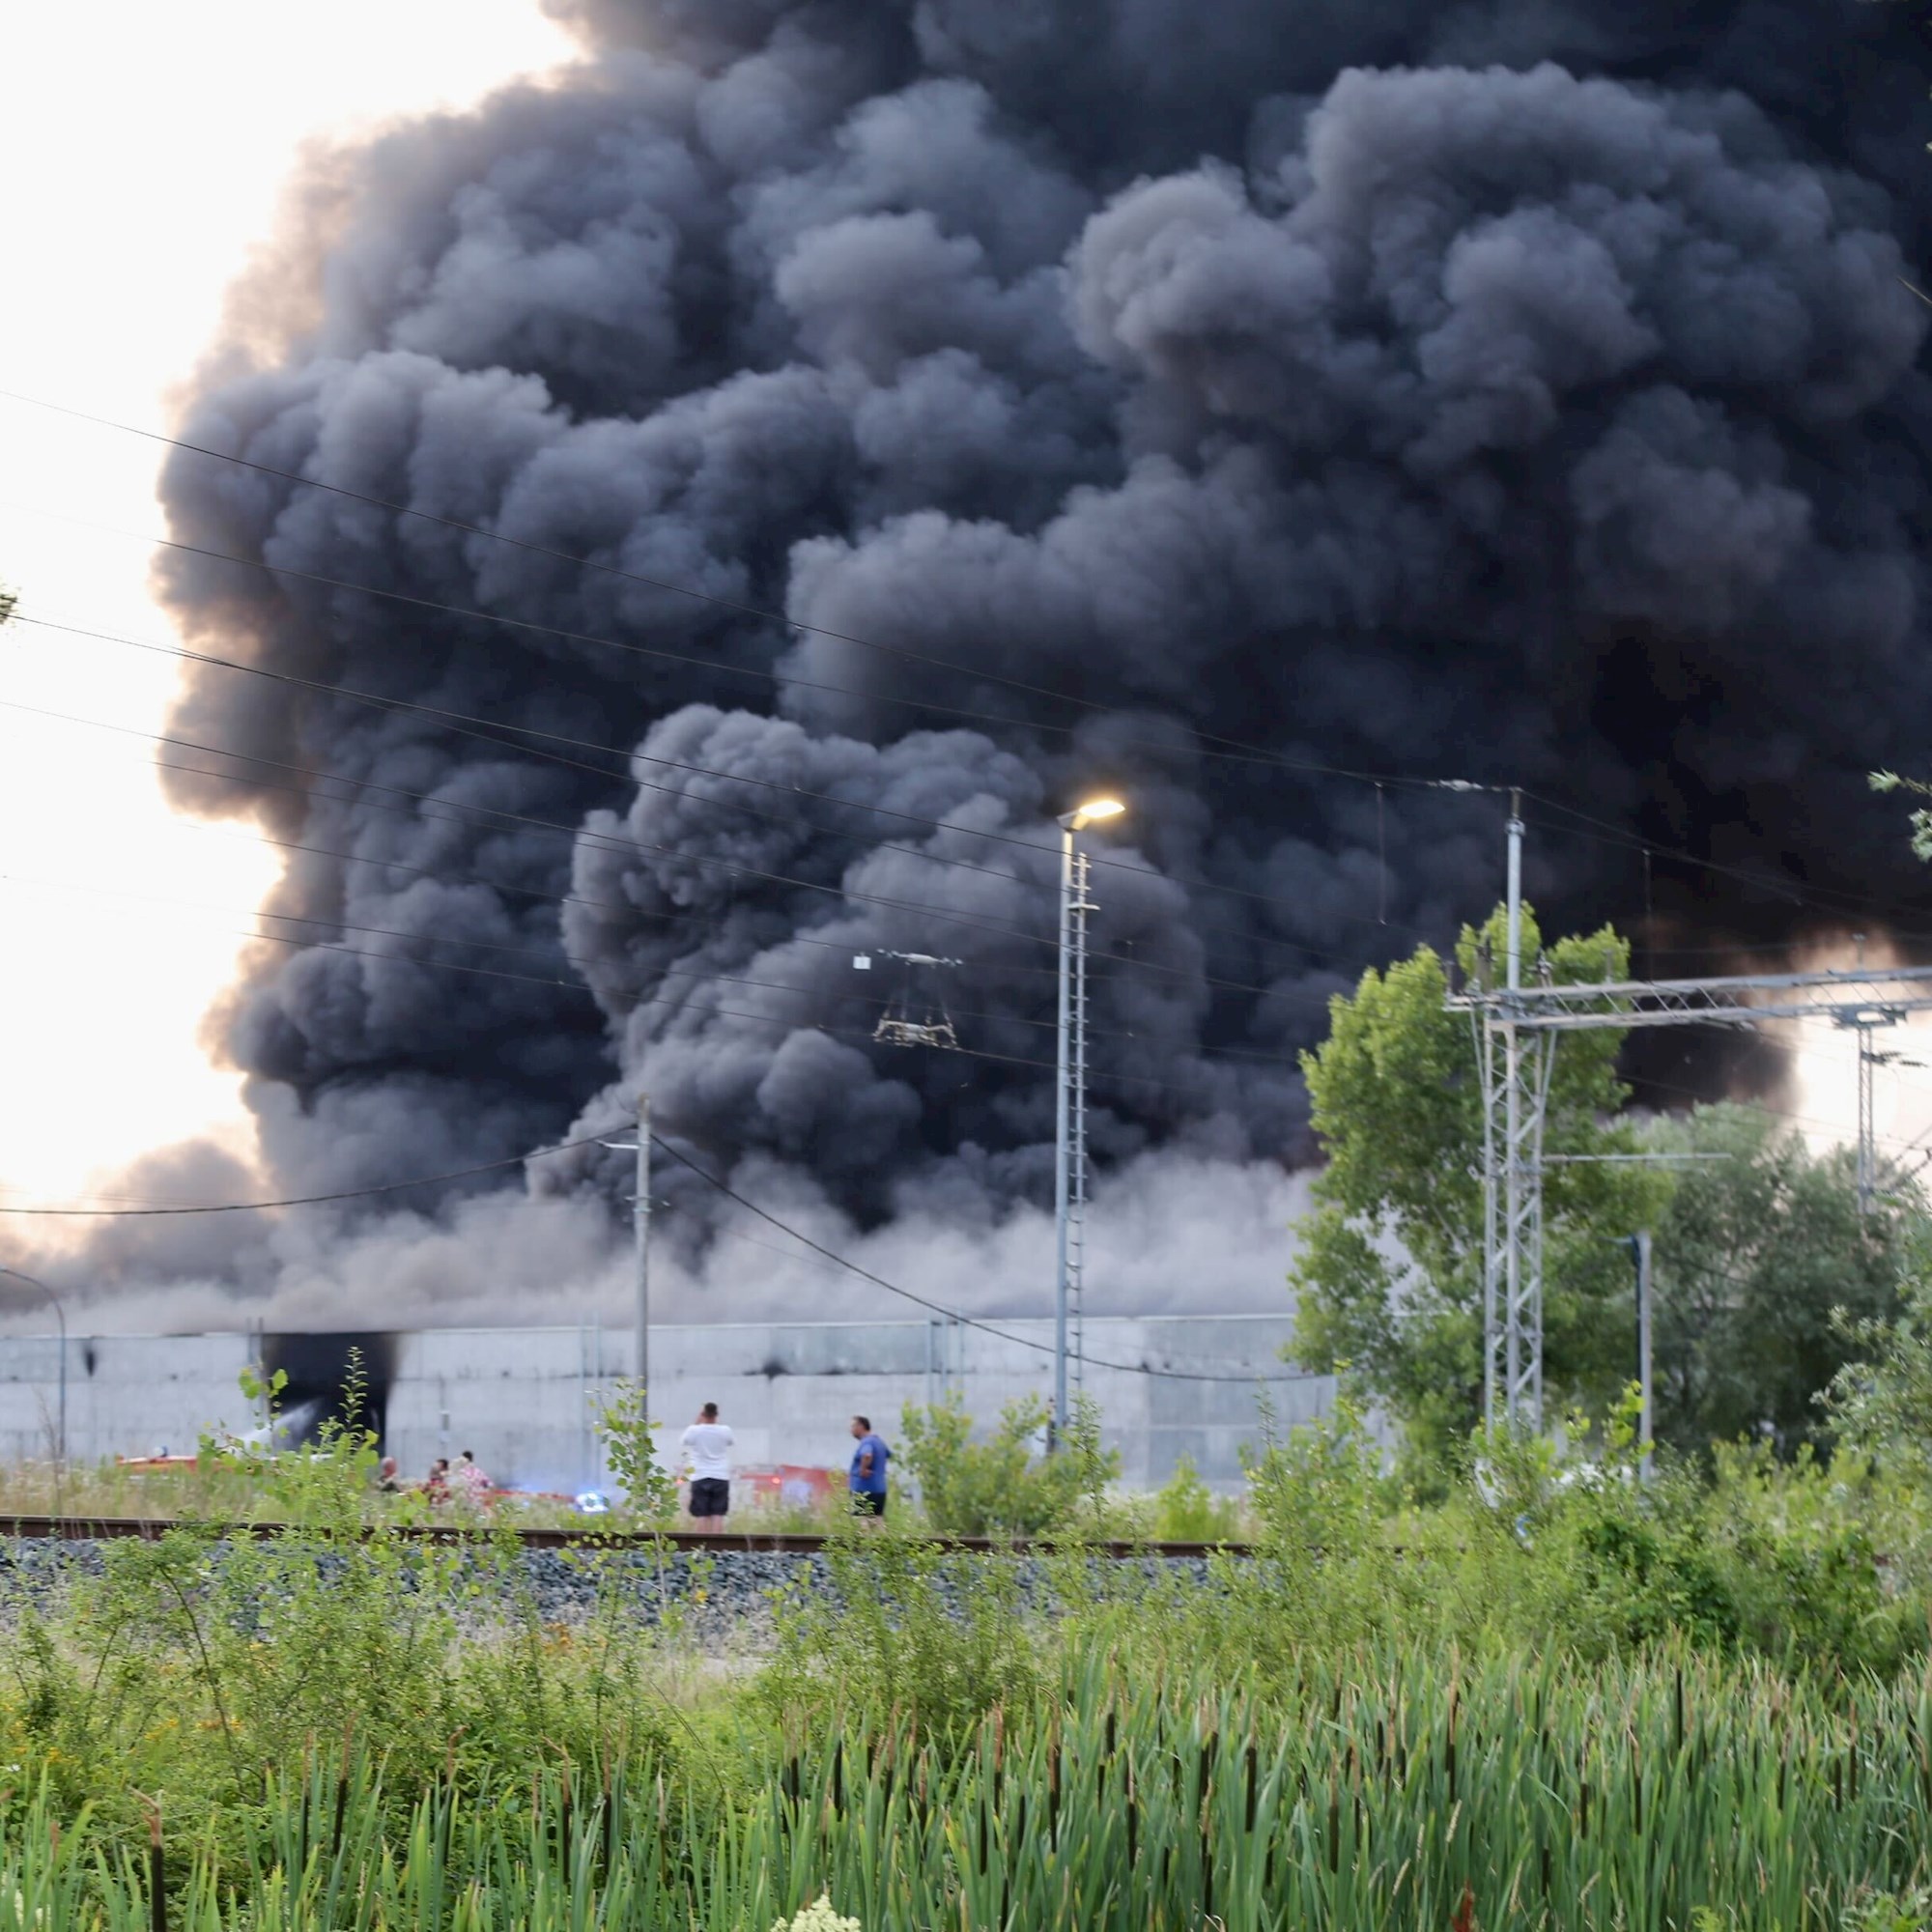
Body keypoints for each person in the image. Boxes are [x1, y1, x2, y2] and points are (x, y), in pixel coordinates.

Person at [680, 1402, 734, 1530]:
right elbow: (730, 1442)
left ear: (703, 1414)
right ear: (716, 1415)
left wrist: (696, 1422)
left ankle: (701, 1545)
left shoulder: (694, 1430)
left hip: (699, 1475)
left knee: (701, 1513)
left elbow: (684, 1441)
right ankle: (717, 1546)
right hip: (720, 1475)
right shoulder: (725, 1430)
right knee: (718, 1513)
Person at [848, 1415, 889, 1520]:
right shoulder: (879, 1442)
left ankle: (864, 1536)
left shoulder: (867, 1442)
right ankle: (883, 1537)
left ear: (861, 1426)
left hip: (864, 1490)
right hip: (880, 1490)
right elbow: (888, 1455)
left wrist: (863, 1470)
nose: (850, 1430)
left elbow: (867, 1454)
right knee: (878, 1521)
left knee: (862, 1521)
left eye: (853, 1426)